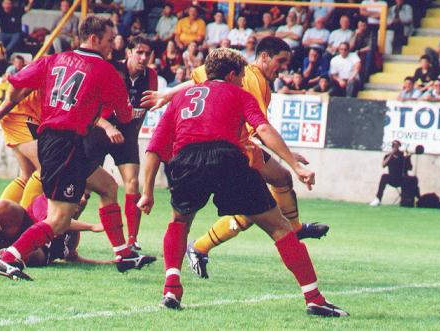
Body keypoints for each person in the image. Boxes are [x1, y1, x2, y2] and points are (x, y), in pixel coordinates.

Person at [138, 47, 347, 317]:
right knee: (280, 229)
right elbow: (262, 129)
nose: (242, 81)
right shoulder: (239, 93)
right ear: (233, 74)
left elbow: (154, 148)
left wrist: (147, 193)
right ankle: (314, 298)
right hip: (227, 158)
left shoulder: (182, 98)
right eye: (240, 76)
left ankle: (171, 290)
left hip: (186, 161)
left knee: (180, 222)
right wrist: (294, 166)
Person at [0, 16, 155, 281]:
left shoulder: (55, 59)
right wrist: (133, 109)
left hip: (61, 142)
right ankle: (7, 257)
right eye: (110, 40)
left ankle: (123, 253)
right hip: (65, 145)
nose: (113, 46)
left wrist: (2, 110)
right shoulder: (105, 70)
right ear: (95, 38)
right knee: (59, 219)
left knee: (108, 186)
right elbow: (123, 113)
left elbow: (18, 82)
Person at [83, 36, 157, 251]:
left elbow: (144, 108)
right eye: (139, 53)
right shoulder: (110, 69)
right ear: (129, 52)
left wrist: (133, 132)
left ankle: (132, 239)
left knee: (133, 183)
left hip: (126, 133)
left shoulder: (151, 76)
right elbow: (88, 106)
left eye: (147, 54)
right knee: (82, 190)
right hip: (99, 130)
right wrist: (107, 126)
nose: (144, 58)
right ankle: (61, 232)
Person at [0, 194, 111, 269]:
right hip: (13, 233)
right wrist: (92, 227)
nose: (83, 199)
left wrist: (107, 263)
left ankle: (1, 257)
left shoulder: (74, 235)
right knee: (3, 206)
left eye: (87, 197)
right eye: (80, 193)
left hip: (34, 254)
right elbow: (53, 221)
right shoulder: (45, 200)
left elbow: (73, 258)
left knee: (36, 255)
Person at [369, 140, 413, 207]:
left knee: (409, 179)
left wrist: (408, 158)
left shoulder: (403, 155)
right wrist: (392, 154)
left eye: (397, 145)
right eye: (394, 145)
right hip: (392, 179)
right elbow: (383, 165)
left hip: (401, 179)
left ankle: (405, 201)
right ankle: (378, 199)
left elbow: (410, 168)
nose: (395, 147)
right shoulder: (388, 155)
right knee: (384, 176)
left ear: (399, 146)